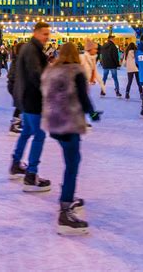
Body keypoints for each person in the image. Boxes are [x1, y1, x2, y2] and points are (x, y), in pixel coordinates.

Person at [41, 42, 101, 235]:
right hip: (69, 124)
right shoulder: (76, 72)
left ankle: (67, 195)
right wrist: (92, 115)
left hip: (55, 124)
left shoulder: (51, 71)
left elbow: (45, 96)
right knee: (73, 163)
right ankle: (65, 211)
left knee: (70, 161)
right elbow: (83, 98)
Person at [10, 22, 51, 191]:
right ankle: (31, 174)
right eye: (44, 34)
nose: (47, 37)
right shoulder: (32, 50)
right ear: (36, 33)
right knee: (39, 135)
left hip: (25, 98)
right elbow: (36, 75)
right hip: (32, 99)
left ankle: (16, 164)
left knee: (27, 132)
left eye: (48, 34)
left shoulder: (30, 48)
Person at [7, 42, 24, 136]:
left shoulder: (18, 59)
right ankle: (14, 126)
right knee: (20, 105)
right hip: (14, 85)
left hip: (14, 85)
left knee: (22, 104)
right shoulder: (18, 60)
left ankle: (18, 122)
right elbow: (14, 75)